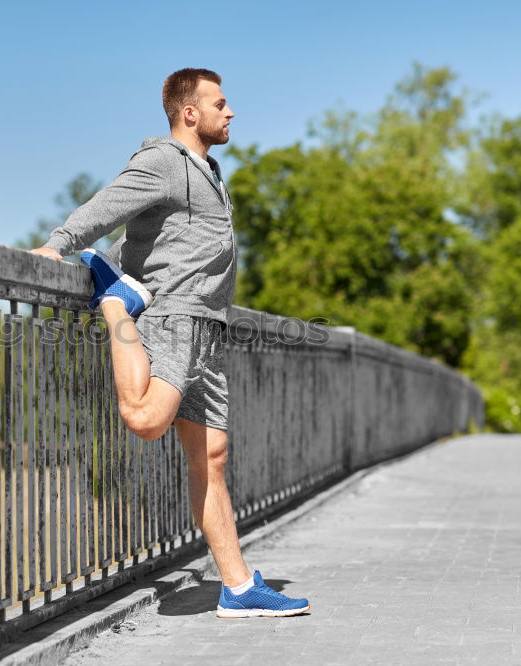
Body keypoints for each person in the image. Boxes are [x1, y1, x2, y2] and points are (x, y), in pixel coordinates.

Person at [31, 68, 309, 618]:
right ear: (190, 112)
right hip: (173, 317)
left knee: (213, 456)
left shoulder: (208, 171)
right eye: (221, 103)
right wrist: (58, 244)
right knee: (145, 417)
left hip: (209, 328)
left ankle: (238, 585)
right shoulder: (163, 161)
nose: (230, 113)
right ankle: (114, 300)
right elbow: (110, 202)